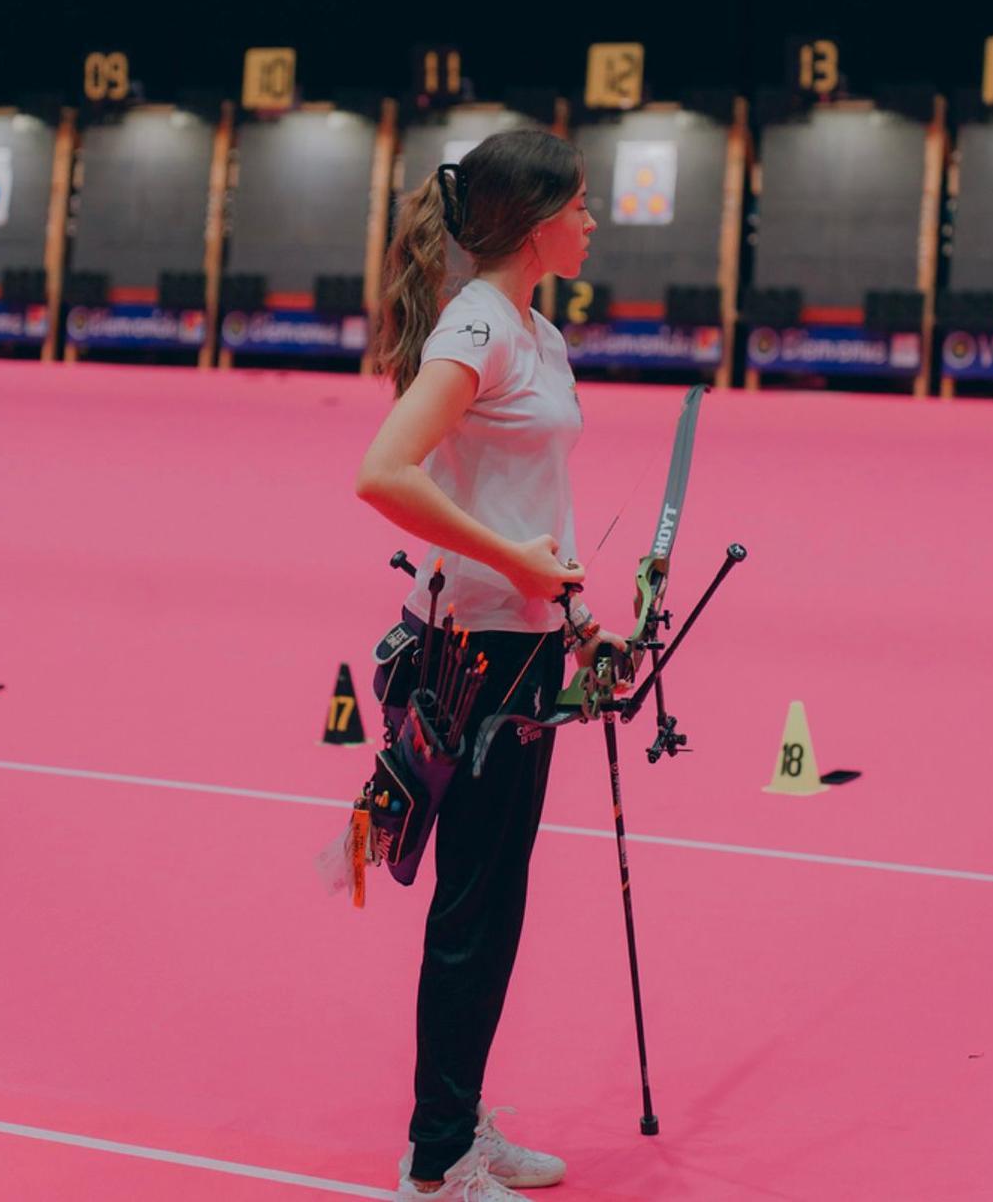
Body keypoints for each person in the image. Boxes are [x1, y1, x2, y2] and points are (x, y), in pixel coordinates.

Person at [356, 128, 606, 1200]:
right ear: (538, 220)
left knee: (494, 902)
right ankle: (436, 1160)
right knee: (470, 907)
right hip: (475, 654)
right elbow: (383, 470)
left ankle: (458, 1120)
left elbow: (527, 502)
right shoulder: (477, 327)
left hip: (530, 642)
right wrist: (515, 564)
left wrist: (576, 608)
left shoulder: (534, 327)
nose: (594, 223)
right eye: (582, 206)